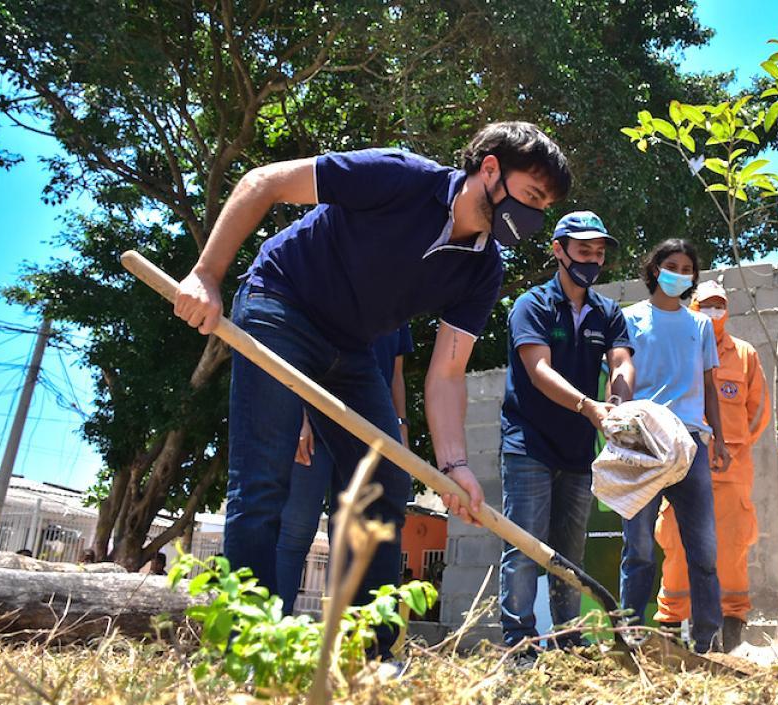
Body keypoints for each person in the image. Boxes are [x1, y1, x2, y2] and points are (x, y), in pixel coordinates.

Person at [172, 122, 570, 658]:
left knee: (384, 483)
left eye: (543, 205)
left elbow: (447, 373)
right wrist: (205, 275)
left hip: (352, 346)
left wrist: (454, 467)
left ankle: (373, 658)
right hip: (281, 304)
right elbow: (262, 181)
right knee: (265, 478)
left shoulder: (483, 269)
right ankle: (247, 650)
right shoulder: (399, 177)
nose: (534, 214)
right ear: (491, 168)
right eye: (531, 195)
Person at [498, 211, 634, 651]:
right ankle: (521, 645)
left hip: (577, 452)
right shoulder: (532, 305)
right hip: (529, 446)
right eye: (583, 251)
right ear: (559, 251)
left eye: (598, 252)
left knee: (569, 555)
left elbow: (621, 362)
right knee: (523, 550)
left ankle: (568, 643)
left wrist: (617, 402)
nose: (592, 260)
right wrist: (588, 406)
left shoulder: (607, 311)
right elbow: (538, 370)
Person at [619, 239, 731, 654]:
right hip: (643, 441)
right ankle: (627, 636)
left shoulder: (700, 325)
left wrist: (718, 438)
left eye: (687, 268)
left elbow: (708, 386)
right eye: (671, 265)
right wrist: (619, 421)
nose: (678, 273)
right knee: (640, 547)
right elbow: (620, 373)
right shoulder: (628, 319)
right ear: (654, 268)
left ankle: (707, 640)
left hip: (691, 445)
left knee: (703, 548)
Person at [654, 280, 769, 651]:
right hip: (682, 467)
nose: (714, 312)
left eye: (720, 305)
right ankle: (672, 629)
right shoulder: (678, 347)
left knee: (732, 548)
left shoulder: (745, 354)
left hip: (732, 472)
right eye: (707, 305)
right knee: (675, 543)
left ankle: (730, 634)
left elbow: (758, 411)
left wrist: (733, 445)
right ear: (694, 306)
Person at [277, 323, 414, 614]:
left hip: (369, 435)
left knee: (353, 534)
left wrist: (401, 426)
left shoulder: (401, 303)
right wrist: (299, 416)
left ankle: (348, 637)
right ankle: (272, 629)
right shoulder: (337, 284)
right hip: (316, 423)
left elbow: (396, 373)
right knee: (296, 530)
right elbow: (301, 351)